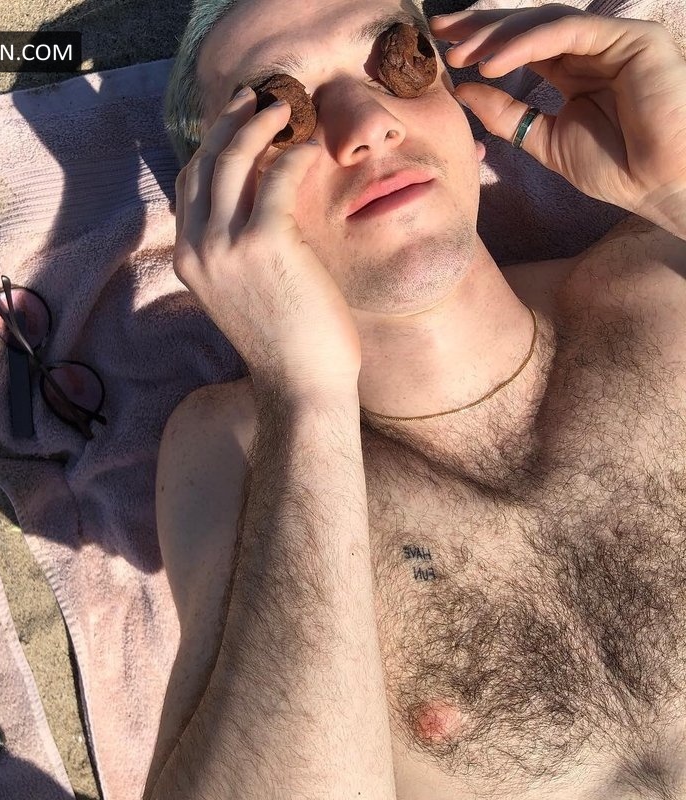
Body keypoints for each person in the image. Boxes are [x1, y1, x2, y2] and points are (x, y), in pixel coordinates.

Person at [144, 1, 686, 797]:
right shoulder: (240, 452)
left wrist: (679, 190)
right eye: (278, 113)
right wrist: (306, 393)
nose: (368, 123)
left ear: (465, 123)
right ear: (214, 215)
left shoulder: (667, 281)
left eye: (400, 60)